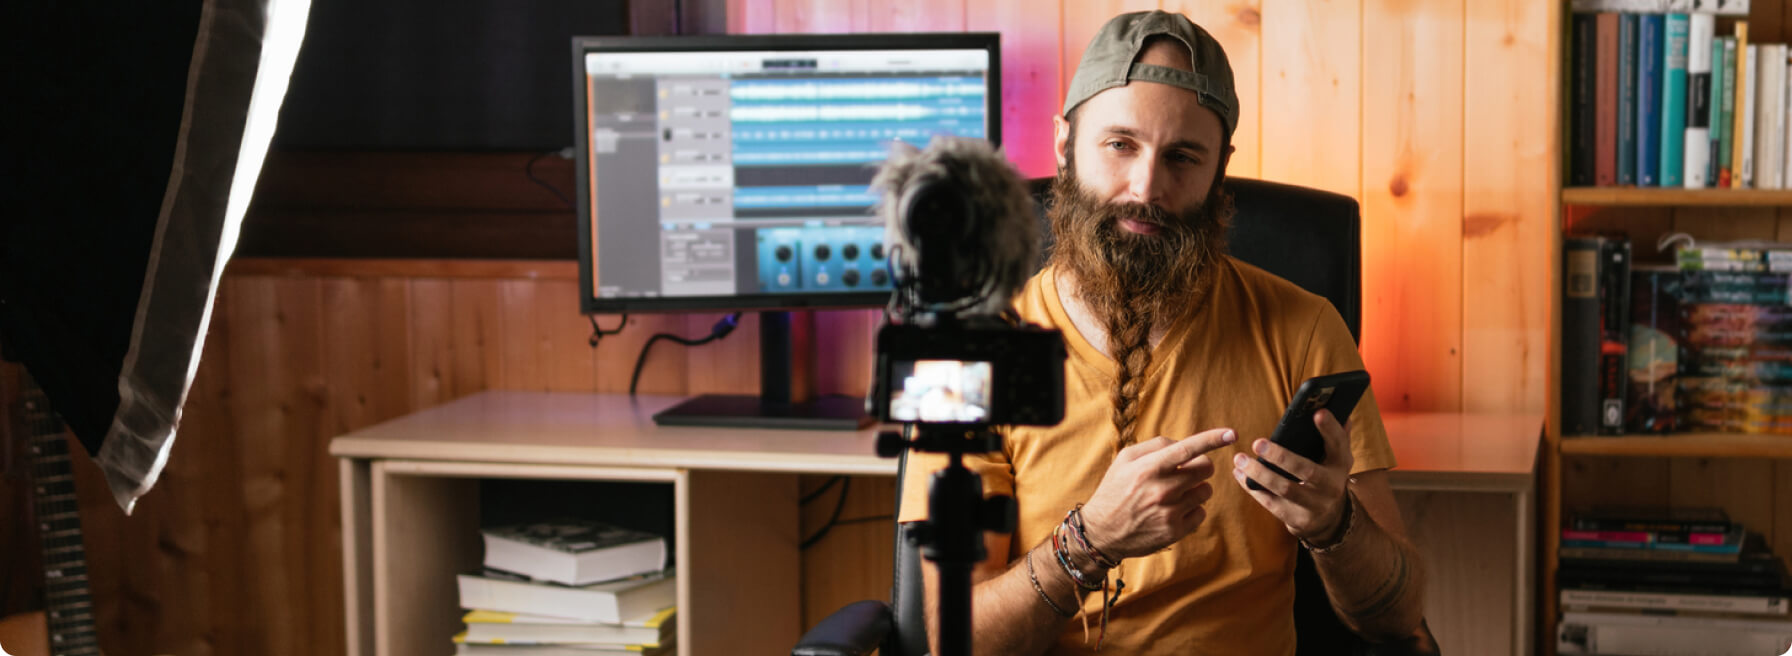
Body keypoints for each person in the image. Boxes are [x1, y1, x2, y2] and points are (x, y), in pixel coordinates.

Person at [895, 10, 1427, 655]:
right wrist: (1089, 542)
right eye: (1120, 145)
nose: (1147, 187)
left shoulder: (1305, 329)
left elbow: (1397, 621)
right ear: (1064, 144)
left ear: (1219, 169)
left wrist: (1334, 525)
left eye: (1182, 157)